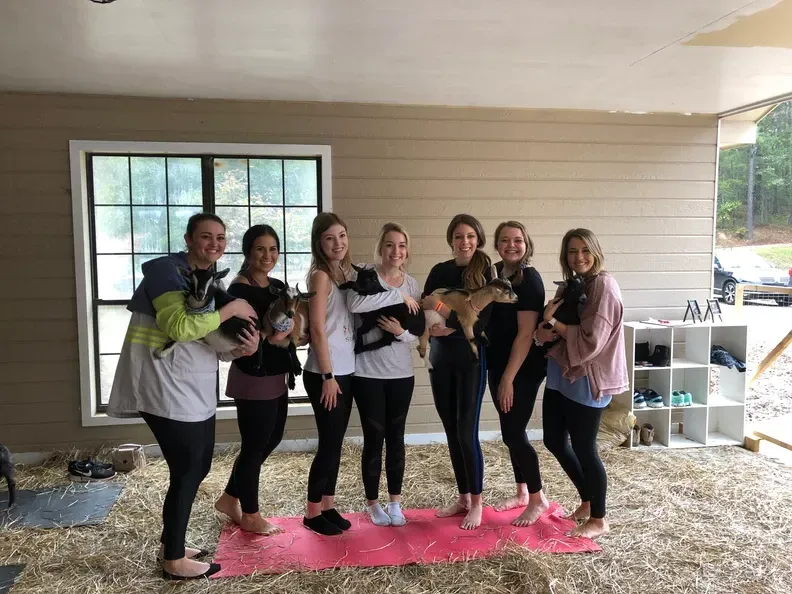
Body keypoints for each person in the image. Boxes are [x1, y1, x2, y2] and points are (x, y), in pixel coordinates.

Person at [107, 213, 259, 580]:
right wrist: (233, 308)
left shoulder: (211, 282)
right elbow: (178, 326)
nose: (214, 244)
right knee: (188, 468)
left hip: (194, 386)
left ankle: (170, 543)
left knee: (197, 466)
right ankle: (173, 560)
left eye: (220, 238)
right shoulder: (167, 272)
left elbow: (210, 339)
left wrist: (241, 349)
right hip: (164, 384)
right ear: (189, 239)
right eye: (206, 236)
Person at [535, 228, 629, 540]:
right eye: (572, 251)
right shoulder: (575, 284)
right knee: (553, 440)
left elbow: (592, 341)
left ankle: (599, 519)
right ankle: (587, 501)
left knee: (585, 449)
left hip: (587, 377)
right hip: (562, 372)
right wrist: (547, 326)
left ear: (596, 252)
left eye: (585, 250)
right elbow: (548, 330)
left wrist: (553, 322)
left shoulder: (604, 286)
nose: (579, 257)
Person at [214, 225, 297, 535]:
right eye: (261, 249)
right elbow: (237, 337)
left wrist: (287, 333)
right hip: (252, 374)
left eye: (273, 249)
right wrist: (268, 334)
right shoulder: (239, 289)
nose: (268, 255)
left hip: (276, 373)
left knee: (272, 438)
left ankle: (229, 498)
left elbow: (288, 325)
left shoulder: (278, 286)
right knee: (254, 446)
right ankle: (250, 514)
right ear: (248, 252)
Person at [420, 213, 493, 530]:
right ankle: (463, 497)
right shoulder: (439, 271)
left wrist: (443, 312)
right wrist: (443, 322)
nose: (465, 242)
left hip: (471, 361)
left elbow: (479, 323)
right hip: (441, 359)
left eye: (470, 236)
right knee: (451, 429)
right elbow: (424, 305)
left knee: (466, 432)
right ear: (451, 239)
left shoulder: (486, 274)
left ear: (478, 240)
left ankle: (477, 502)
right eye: (459, 236)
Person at [346, 223, 421, 527]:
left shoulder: (413, 284)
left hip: (401, 374)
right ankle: (373, 504)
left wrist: (399, 331)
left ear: (407, 250)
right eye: (390, 244)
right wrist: (397, 296)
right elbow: (354, 303)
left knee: (396, 438)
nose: (396, 251)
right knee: (373, 437)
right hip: (367, 373)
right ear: (381, 247)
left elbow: (417, 333)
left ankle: (395, 503)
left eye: (401, 245)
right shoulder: (365, 275)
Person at [486, 221, 551, 526]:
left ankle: (538, 499)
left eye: (517, 240)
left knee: (514, 433)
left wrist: (508, 378)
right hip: (497, 363)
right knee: (510, 431)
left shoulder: (530, 280)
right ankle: (522, 492)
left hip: (522, 368)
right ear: (497, 244)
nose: (511, 245)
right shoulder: (495, 274)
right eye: (504, 240)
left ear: (527, 244)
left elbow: (525, 335)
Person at [301, 212, 357, 536]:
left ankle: (328, 505)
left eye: (342, 236)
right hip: (326, 372)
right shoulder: (320, 275)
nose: (338, 243)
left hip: (345, 369)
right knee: (329, 442)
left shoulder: (344, 273)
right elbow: (318, 329)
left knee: (336, 442)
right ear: (319, 243)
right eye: (329, 238)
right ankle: (312, 512)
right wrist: (328, 376)